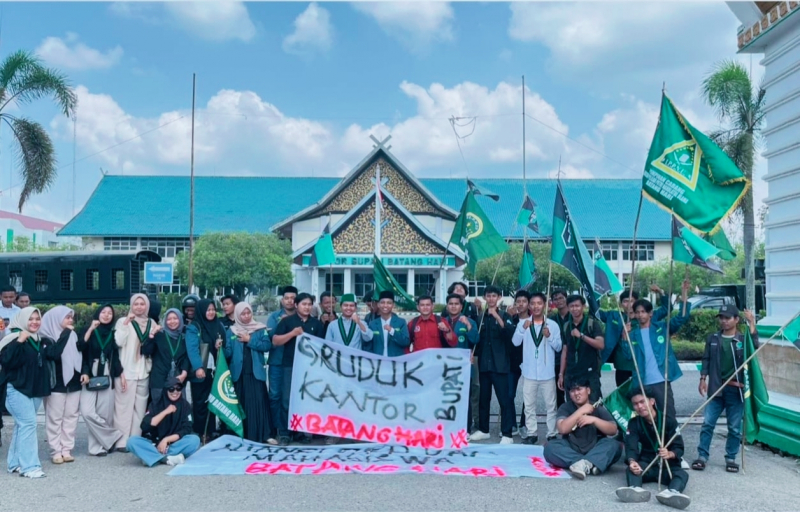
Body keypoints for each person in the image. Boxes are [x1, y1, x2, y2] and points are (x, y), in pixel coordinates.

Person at [0, 307, 70, 478]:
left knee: (22, 426)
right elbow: (7, 361)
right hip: (17, 389)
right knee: (29, 424)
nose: (34, 322)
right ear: (23, 320)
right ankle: (29, 467)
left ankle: (15, 463)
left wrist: (66, 333)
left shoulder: (39, 340)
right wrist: (19, 342)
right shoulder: (13, 338)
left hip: (35, 389)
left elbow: (52, 355)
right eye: (30, 319)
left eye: (37, 319)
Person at [693, 305, 758, 474]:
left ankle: (731, 458)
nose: (724, 321)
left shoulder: (742, 340)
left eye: (728, 318)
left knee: (734, 427)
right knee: (707, 423)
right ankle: (702, 456)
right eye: (721, 317)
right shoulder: (713, 338)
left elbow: (755, 348)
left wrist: (752, 323)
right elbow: (706, 359)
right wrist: (702, 379)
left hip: (736, 390)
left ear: (736, 320)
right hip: (716, 388)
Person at [622, 279, 692, 422]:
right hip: (642, 383)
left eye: (643, 312)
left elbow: (682, 317)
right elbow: (628, 356)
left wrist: (684, 292)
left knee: (668, 415)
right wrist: (624, 338)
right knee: (646, 418)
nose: (640, 315)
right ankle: (652, 444)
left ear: (650, 314)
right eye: (637, 312)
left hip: (661, 380)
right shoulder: (633, 334)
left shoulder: (661, 328)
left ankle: (672, 443)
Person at [616, 390, 691, 510]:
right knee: (632, 470)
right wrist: (632, 462)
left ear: (652, 401)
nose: (639, 406)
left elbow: (679, 447)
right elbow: (631, 445)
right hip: (647, 463)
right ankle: (636, 490)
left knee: (682, 474)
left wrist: (670, 453)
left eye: (642, 402)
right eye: (635, 404)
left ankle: (672, 493)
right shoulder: (634, 423)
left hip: (668, 465)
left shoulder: (669, 421)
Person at [272, 292, 324, 445]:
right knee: (287, 399)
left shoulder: (317, 324)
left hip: (309, 368)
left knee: (304, 400)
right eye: (304, 304)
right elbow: (275, 340)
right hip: (289, 366)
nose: (307, 307)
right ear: (296, 305)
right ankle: (284, 433)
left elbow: (321, 346)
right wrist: (293, 333)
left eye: (309, 304)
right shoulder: (287, 322)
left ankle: (300, 431)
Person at [543, 379, 622, 480]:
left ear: (588, 390)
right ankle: (591, 463)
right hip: (572, 448)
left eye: (579, 389)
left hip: (595, 447)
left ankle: (584, 464)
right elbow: (562, 429)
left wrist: (594, 420)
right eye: (572, 391)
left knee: (615, 446)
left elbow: (613, 430)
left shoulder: (597, 407)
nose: (576, 393)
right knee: (550, 448)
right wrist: (581, 411)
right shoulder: (565, 407)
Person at [511, 292, 562, 444]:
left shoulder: (552, 325)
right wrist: (521, 330)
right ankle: (532, 433)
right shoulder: (524, 323)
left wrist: (550, 336)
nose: (536, 306)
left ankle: (551, 434)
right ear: (529, 305)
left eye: (539, 303)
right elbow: (515, 343)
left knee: (551, 406)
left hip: (547, 373)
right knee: (529, 406)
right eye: (533, 303)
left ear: (544, 304)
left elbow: (559, 347)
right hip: (529, 372)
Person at [470, 285, 516, 444]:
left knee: (504, 400)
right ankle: (484, 430)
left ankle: (507, 434)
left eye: (494, 296)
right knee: (484, 399)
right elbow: (477, 341)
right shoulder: (480, 317)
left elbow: (509, 333)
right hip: (484, 364)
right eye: (488, 296)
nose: (491, 299)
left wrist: (496, 316)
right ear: (484, 298)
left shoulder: (505, 315)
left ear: (499, 298)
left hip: (500, 365)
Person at [224, 301, 275, 445]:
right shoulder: (231, 331)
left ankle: (264, 434)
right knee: (240, 404)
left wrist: (249, 340)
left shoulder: (260, 329)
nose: (246, 316)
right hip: (238, 374)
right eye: (243, 314)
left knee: (259, 403)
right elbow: (228, 353)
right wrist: (220, 346)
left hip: (256, 373)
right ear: (237, 315)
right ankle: (238, 435)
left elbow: (266, 346)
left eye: (248, 313)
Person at [77, 304, 124, 457]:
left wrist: (121, 374)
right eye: (103, 312)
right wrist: (91, 328)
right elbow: (81, 347)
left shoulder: (112, 333)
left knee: (104, 412)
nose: (106, 315)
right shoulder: (88, 330)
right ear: (98, 314)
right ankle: (113, 436)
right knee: (88, 412)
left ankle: (98, 447)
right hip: (90, 371)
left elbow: (115, 356)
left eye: (110, 313)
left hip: (107, 371)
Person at [599, 286, 668, 387]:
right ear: (621, 304)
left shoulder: (646, 316)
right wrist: (597, 292)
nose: (629, 304)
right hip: (622, 364)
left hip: (642, 364)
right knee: (623, 395)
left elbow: (666, 309)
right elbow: (596, 312)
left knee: (642, 395)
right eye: (625, 301)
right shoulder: (614, 316)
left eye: (632, 301)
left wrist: (661, 292)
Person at [126, 377, 201, 467]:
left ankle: (152, 456)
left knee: (195, 440)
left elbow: (186, 429)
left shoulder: (185, 405)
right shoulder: (156, 404)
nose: (175, 392)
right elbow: (145, 426)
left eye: (178, 389)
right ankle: (166, 459)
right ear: (166, 390)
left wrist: (166, 440)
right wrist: (165, 412)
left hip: (174, 443)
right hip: (155, 443)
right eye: (171, 389)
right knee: (131, 441)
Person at [40, 306, 82, 464]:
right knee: (55, 418)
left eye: (71, 317)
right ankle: (56, 450)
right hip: (56, 384)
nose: (70, 320)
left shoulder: (72, 335)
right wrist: (65, 334)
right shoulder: (46, 337)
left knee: (71, 417)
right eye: (67, 317)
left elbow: (80, 354)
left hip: (73, 382)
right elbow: (54, 353)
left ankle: (66, 449)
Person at [113, 293, 154, 452]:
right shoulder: (123, 321)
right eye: (135, 304)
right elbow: (118, 342)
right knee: (123, 408)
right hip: (126, 371)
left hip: (143, 371)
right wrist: (125, 323)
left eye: (142, 304)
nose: (139, 307)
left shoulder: (151, 322)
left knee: (139, 408)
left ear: (147, 306)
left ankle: (134, 440)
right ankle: (121, 441)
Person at [185, 299, 226, 442]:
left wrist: (218, 345)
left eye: (213, 309)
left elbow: (225, 344)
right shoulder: (194, 327)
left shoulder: (218, 325)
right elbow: (192, 349)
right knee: (200, 402)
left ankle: (211, 431)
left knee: (213, 400)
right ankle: (200, 431)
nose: (211, 312)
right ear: (201, 311)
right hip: (201, 371)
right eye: (208, 310)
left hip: (215, 370)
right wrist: (198, 367)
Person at [441, 293, 478, 433]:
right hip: (445, 367)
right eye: (451, 304)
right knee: (447, 398)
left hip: (463, 367)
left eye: (456, 304)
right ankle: (448, 427)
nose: (453, 306)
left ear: (461, 306)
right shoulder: (442, 321)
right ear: (447, 306)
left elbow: (475, 339)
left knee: (464, 399)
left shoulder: (468, 321)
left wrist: (468, 325)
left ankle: (465, 429)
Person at [559, 295, 605, 402]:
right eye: (571, 306)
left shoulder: (592, 324)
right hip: (571, 373)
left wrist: (582, 336)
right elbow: (565, 350)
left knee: (594, 405)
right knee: (572, 405)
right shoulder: (566, 326)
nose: (574, 309)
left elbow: (600, 344)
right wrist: (561, 374)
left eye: (577, 306)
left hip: (589, 373)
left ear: (583, 306)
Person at [267, 285, 297, 442]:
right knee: (275, 395)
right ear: (282, 300)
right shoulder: (274, 317)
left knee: (291, 397)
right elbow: (271, 336)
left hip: (295, 364)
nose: (290, 301)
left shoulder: (301, 317)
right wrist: (283, 324)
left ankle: (292, 429)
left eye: (293, 298)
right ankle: (276, 428)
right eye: (287, 298)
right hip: (277, 362)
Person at [142, 308, 190, 398]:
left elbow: (186, 357)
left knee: (178, 408)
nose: (172, 321)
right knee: (159, 408)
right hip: (159, 379)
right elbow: (146, 351)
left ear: (180, 319)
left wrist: (184, 373)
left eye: (175, 318)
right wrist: (152, 334)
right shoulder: (159, 335)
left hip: (178, 378)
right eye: (169, 319)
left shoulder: (184, 337)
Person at [507, 290, 530, 436]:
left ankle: (524, 423)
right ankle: (512, 423)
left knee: (528, 395)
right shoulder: (511, 320)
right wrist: (508, 317)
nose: (520, 304)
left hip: (530, 362)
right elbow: (507, 337)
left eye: (524, 301)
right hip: (512, 361)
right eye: (518, 301)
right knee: (509, 394)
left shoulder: (536, 320)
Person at [364, 291, 411, 357]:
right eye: (382, 302)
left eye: (389, 303)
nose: (385, 305)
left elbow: (406, 342)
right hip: (378, 363)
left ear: (393, 305)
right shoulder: (373, 324)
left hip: (395, 363)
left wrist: (392, 331)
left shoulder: (401, 322)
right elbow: (368, 346)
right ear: (378, 305)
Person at [549, 289, 570, 407]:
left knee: (573, 391)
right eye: (555, 299)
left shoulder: (574, 317)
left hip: (572, 359)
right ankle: (562, 419)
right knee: (559, 392)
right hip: (556, 360)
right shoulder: (551, 320)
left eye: (561, 298)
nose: (559, 301)